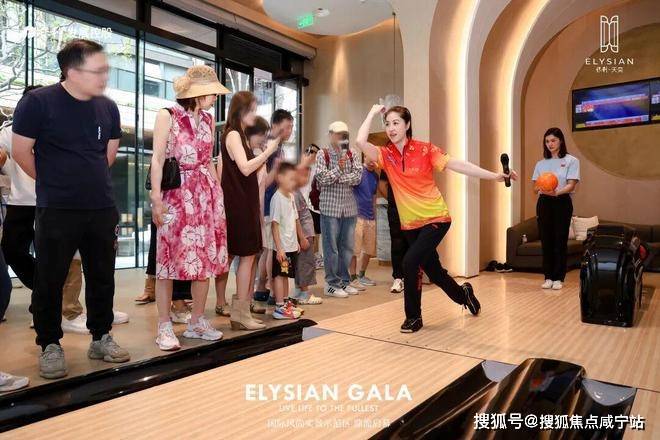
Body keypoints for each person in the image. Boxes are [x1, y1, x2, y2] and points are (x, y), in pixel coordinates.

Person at [12, 39, 130, 378]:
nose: (104, 76)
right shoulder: (38, 102)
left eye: (106, 69)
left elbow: (108, 155)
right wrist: (54, 182)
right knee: (50, 278)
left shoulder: (108, 107)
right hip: (57, 208)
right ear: (72, 71)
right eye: (98, 70)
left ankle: (101, 336)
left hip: (101, 206)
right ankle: (49, 343)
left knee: (102, 276)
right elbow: (21, 152)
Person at [356, 104, 517, 333]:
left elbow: (459, 165)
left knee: (410, 262)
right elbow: (360, 141)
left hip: (435, 219)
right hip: (410, 225)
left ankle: (414, 317)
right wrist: (372, 113)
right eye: (388, 124)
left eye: (396, 123)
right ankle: (464, 295)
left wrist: (494, 176)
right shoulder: (386, 155)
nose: (391, 128)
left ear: (407, 125)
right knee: (434, 271)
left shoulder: (425, 149)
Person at [0, 86, 128, 333]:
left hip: (62, 200)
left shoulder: (70, 121)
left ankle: (71, 311)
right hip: (23, 201)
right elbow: (14, 153)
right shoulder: (10, 130)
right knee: (18, 253)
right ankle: (48, 304)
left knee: (74, 259)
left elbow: (102, 156)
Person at [150, 65, 229, 351]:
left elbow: (208, 161)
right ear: (197, 93)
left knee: (204, 261)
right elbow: (158, 158)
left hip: (205, 195)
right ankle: (164, 325)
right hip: (175, 194)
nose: (215, 98)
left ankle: (197, 321)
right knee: (167, 262)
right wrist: (156, 198)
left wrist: (218, 194)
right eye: (211, 93)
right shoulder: (167, 115)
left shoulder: (208, 119)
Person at [221, 91, 279, 330]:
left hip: (246, 203)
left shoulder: (240, 136)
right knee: (246, 258)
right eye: (252, 110)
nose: (255, 115)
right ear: (241, 111)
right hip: (239, 205)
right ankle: (240, 314)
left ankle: (242, 311)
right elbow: (245, 169)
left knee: (250, 258)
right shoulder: (233, 134)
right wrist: (268, 152)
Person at [214, 116, 269, 318]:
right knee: (228, 257)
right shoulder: (233, 149)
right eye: (261, 137)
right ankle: (221, 301)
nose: (263, 141)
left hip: (253, 210)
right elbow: (222, 181)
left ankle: (246, 300)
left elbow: (261, 187)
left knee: (251, 258)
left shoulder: (258, 155)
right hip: (235, 210)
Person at [316, 121, 363, 298]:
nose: (341, 137)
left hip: (349, 208)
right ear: (330, 135)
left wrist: (337, 177)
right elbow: (322, 179)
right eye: (337, 134)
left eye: (344, 134)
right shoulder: (322, 154)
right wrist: (339, 169)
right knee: (331, 248)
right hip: (330, 208)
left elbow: (357, 177)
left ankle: (344, 281)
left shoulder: (353, 153)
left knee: (347, 247)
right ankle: (331, 283)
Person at [532, 127, 580, 290]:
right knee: (546, 240)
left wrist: (556, 192)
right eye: (547, 141)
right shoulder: (540, 164)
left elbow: (571, 184)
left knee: (560, 240)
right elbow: (535, 187)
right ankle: (548, 277)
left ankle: (559, 277)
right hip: (544, 203)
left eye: (553, 140)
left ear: (561, 141)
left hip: (562, 201)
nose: (550, 144)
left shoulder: (571, 160)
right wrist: (541, 188)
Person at [256, 109, 295, 303]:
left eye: (292, 127)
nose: (290, 131)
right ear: (275, 125)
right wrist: (279, 168)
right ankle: (273, 291)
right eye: (287, 127)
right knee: (271, 250)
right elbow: (264, 181)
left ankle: (262, 288)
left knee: (268, 249)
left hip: (273, 204)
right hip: (268, 204)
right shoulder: (268, 146)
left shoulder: (277, 147)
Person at [269, 163, 305, 319]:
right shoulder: (277, 198)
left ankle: (285, 302)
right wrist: (279, 248)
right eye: (291, 179)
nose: (293, 182)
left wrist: (298, 240)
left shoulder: (291, 197)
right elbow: (274, 225)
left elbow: (295, 219)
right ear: (280, 178)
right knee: (279, 275)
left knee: (286, 275)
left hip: (291, 245)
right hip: (282, 247)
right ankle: (279, 306)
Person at [291, 165, 322, 305]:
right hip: (304, 233)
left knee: (302, 263)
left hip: (305, 232)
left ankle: (299, 290)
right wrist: (302, 237)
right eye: (304, 176)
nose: (306, 179)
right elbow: (296, 217)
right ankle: (304, 293)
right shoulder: (294, 193)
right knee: (305, 263)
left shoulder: (296, 191)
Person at [349, 156, 379, 291]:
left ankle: (361, 275)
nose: (373, 162)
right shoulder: (358, 171)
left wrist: (374, 215)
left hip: (370, 217)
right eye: (370, 159)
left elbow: (373, 197)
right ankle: (352, 277)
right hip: (357, 215)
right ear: (365, 157)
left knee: (369, 249)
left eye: (375, 160)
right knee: (354, 249)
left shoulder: (375, 176)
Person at [379, 171, 407, 293]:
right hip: (395, 209)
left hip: (414, 207)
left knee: (413, 242)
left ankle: (410, 276)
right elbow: (382, 185)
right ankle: (398, 277)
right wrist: (394, 199)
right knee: (397, 242)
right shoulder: (389, 161)